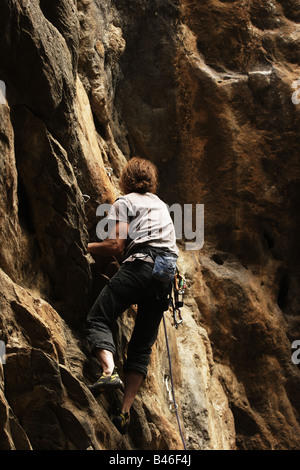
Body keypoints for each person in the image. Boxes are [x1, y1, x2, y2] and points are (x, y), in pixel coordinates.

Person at [86, 157, 178, 435]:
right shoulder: (161, 205)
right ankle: (124, 413)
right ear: (151, 181)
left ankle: (109, 371)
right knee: (141, 348)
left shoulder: (124, 202)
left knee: (99, 317)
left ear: (125, 179)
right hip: (166, 276)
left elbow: (115, 245)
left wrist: (88, 246)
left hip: (141, 265)